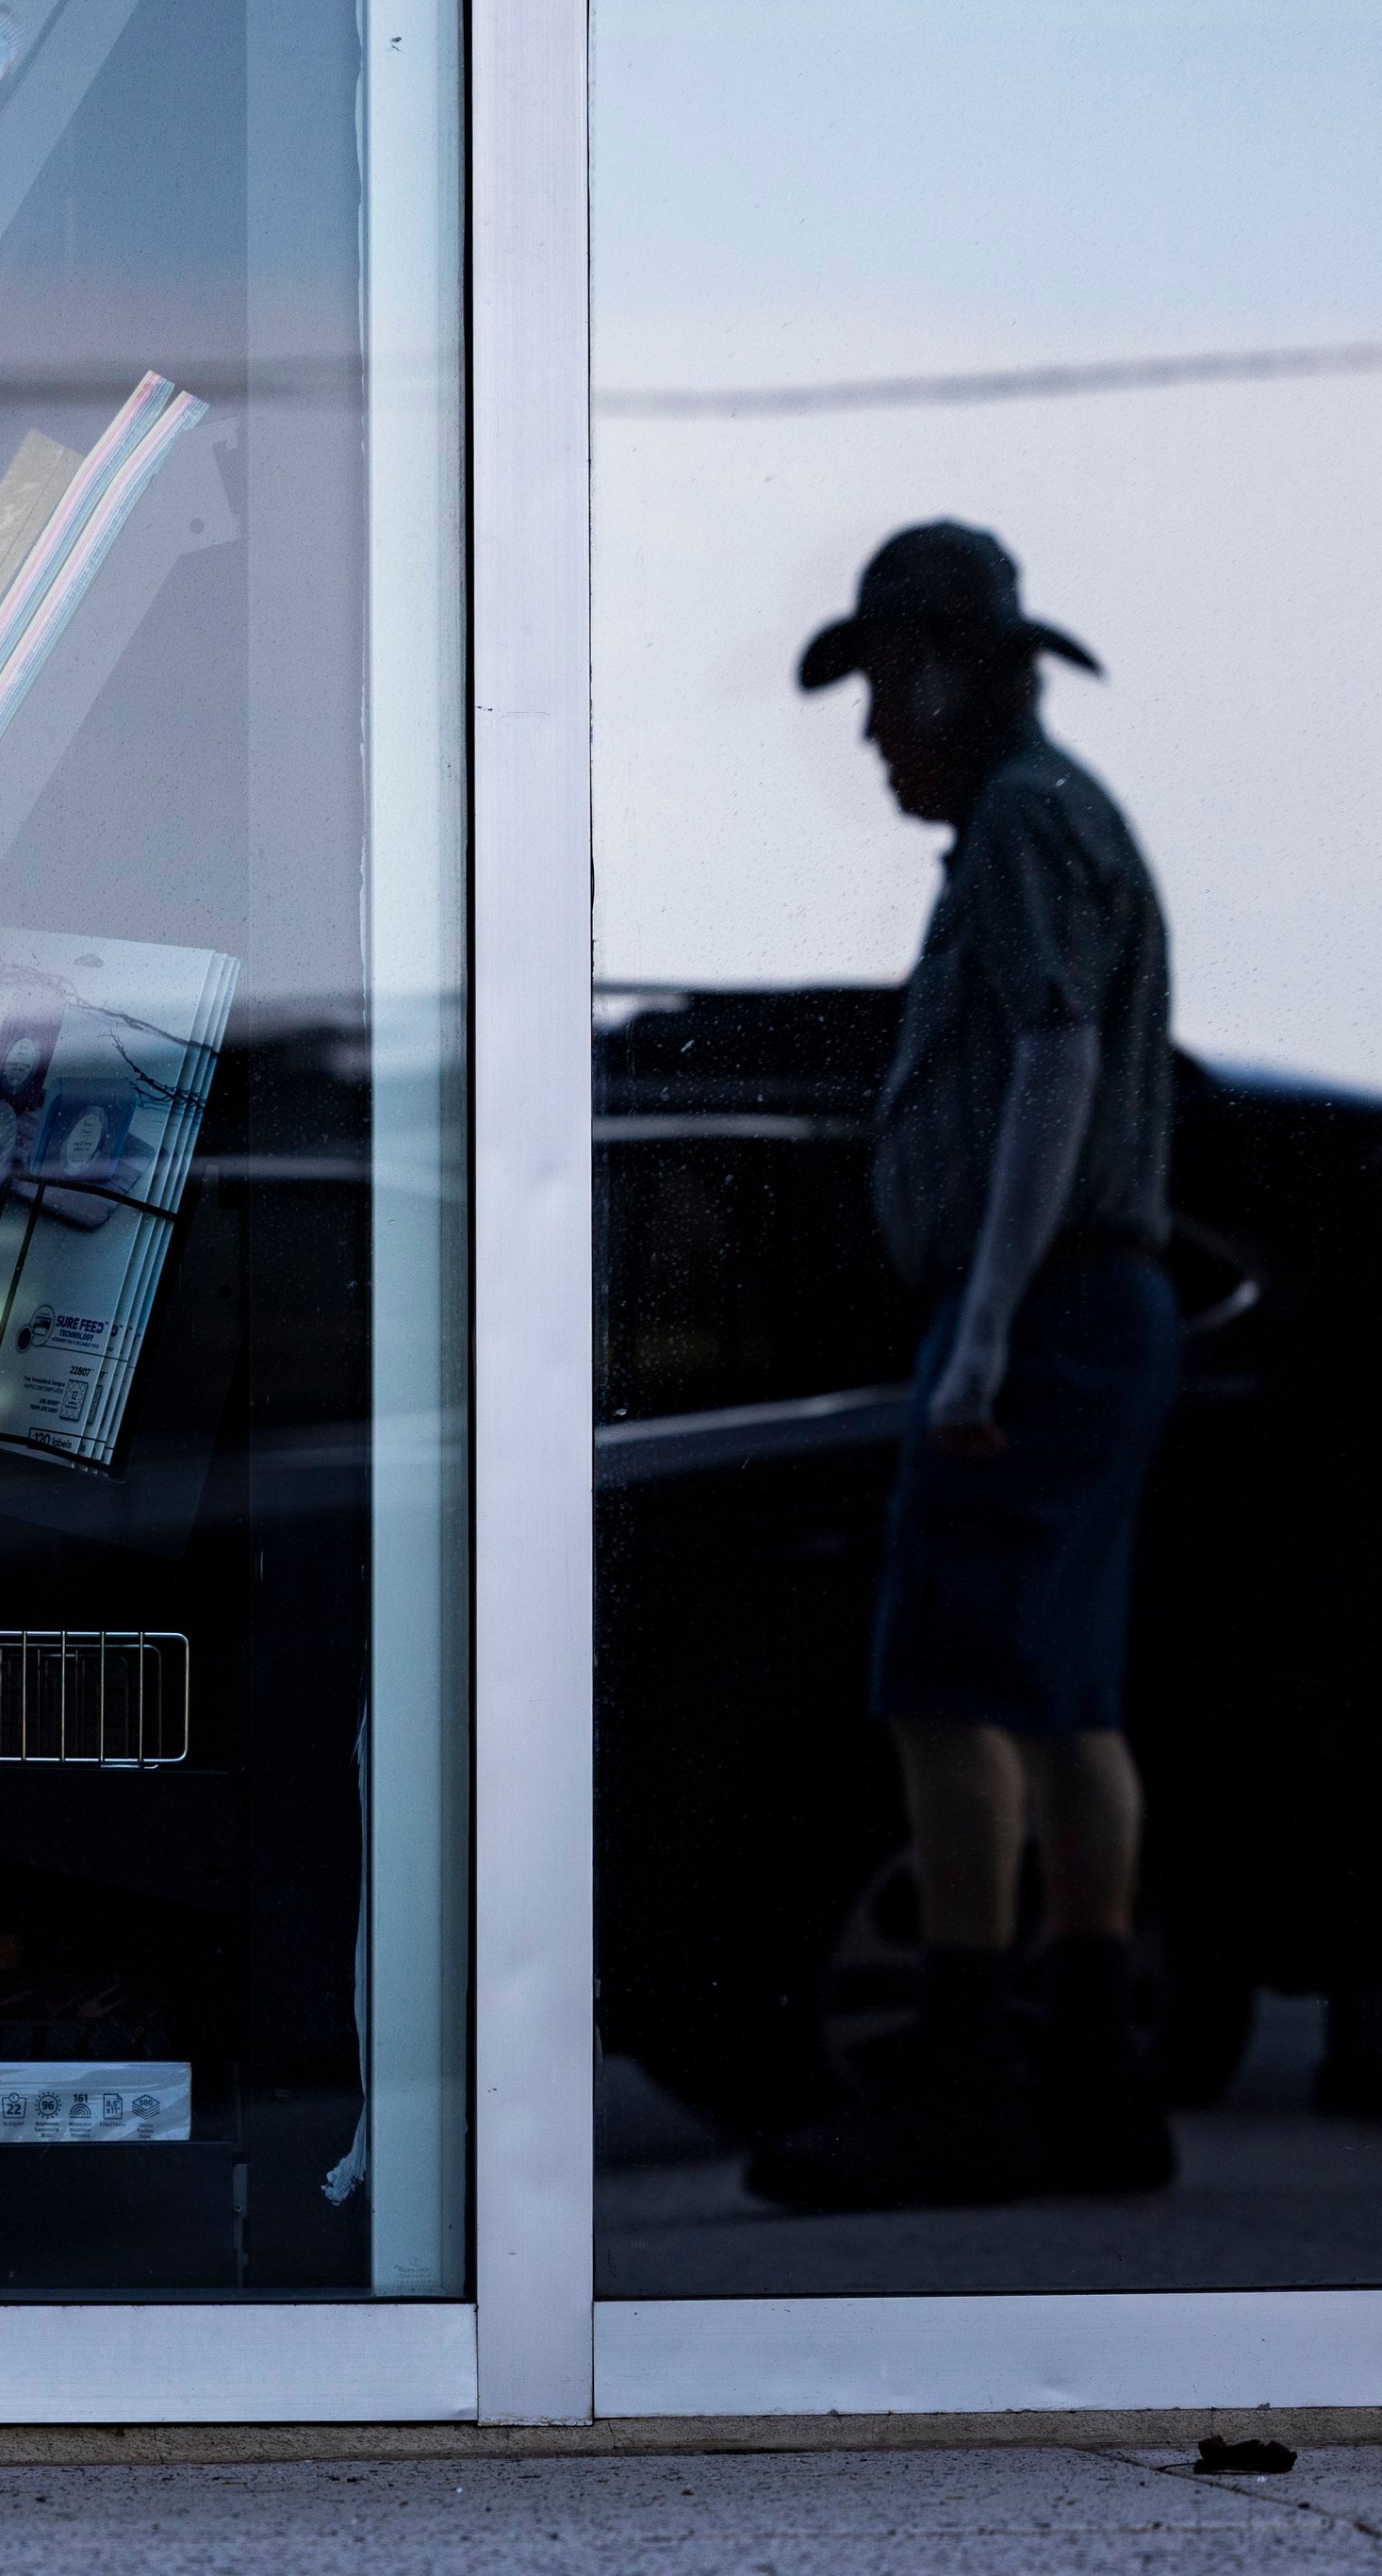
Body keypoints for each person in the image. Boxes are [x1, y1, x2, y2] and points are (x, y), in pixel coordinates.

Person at [745, 521, 1182, 2215]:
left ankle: (975, 2088)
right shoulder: (1065, 823)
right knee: (1071, 1704)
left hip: (1047, 1316)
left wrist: (985, 1326)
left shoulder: (1019, 823)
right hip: (1096, 1310)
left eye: (877, 689)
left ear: (937, 671)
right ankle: (1091, 2089)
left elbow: (1058, 1055)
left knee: (953, 1694)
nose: (869, 734)